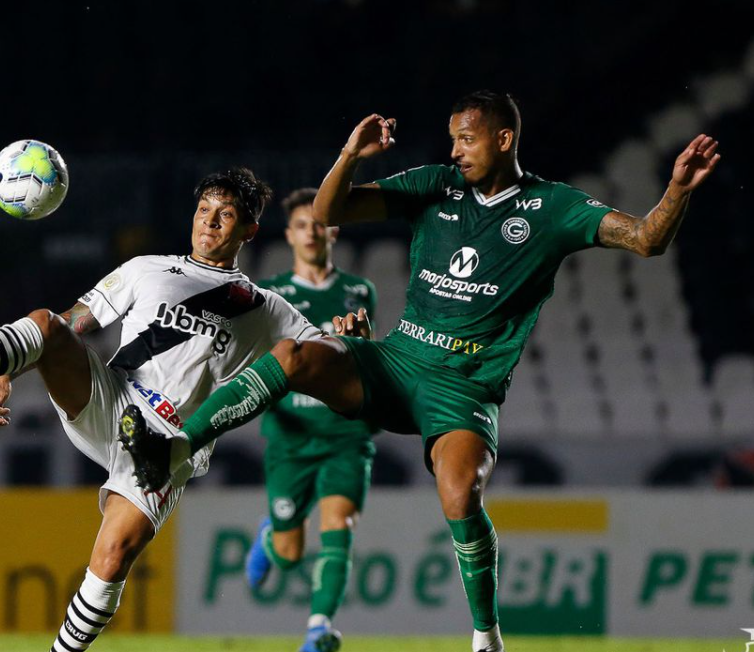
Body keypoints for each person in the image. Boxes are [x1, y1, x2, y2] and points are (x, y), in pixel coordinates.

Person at [119, 91, 721, 652]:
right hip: (398, 362)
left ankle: (486, 637)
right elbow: (332, 211)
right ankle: (172, 449)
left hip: (463, 389)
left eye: (466, 139)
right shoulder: (436, 186)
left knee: (460, 493)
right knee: (293, 358)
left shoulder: (552, 207)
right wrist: (351, 155)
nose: (454, 150)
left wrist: (678, 191)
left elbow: (646, 240)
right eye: (452, 139)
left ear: (504, 139)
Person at [0, 168, 364, 652]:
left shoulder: (266, 308)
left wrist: (346, 338)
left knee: (113, 555)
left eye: (226, 215)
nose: (209, 223)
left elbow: (320, 348)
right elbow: (73, 322)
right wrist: (8, 368)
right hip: (112, 400)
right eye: (203, 211)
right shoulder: (145, 268)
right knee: (46, 324)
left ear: (248, 231)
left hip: (165, 444)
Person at [244, 188, 378, 652]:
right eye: (302, 225)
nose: (311, 232)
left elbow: (365, 360)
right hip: (291, 437)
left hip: (345, 434)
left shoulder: (360, 292)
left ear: (333, 230)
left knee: (340, 527)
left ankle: (319, 627)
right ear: (289, 235)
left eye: (319, 224)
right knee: (289, 554)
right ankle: (271, 534)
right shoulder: (272, 294)